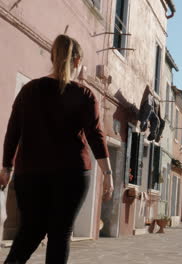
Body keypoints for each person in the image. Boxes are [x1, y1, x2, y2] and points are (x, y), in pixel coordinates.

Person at [0, 35, 114, 263]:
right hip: (72, 174)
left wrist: (6, 167)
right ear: (78, 60)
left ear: (53, 57)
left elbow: (13, 131)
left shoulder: (29, 90)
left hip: (30, 173)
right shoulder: (84, 95)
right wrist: (108, 174)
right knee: (60, 235)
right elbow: (95, 135)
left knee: (30, 232)